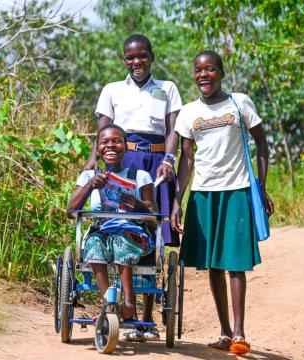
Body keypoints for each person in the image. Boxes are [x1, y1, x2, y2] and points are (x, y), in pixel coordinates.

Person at [171, 50, 274, 355]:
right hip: (203, 194)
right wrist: (178, 199)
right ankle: (225, 332)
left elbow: (262, 143)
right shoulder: (188, 112)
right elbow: (186, 160)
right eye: (199, 70)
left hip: (237, 189)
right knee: (212, 266)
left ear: (221, 73)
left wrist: (262, 187)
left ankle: (240, 333)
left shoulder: (239, 103)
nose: (204, 75)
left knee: (235, 263)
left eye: (211, 69)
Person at [85, 33, 182, 340]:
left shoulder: (167, 89)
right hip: (121, 160)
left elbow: (173, 129)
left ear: (151, 56)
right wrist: (93, 160)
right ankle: (125, 312)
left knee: (153, 232)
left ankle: (147, 320)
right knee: (117, 227)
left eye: (142, 56)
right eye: (130, 58)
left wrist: (169, 159)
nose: (136, 62)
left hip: (155, 165)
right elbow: (103, 131)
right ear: (124, 60)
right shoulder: (112, 90)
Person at [67, 124, 158, 328]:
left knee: (119, 240)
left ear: (125, 146)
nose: (111, 146)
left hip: (133, 234)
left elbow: (154, 220)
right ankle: (109, 303)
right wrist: (91, 186)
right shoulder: (88, 177)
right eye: (104, 142)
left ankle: (128, 302)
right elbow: (71, 212)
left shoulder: (140, 176)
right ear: (97, 149)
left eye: (116, 141)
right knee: (95, 243)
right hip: (101, 231)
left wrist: (137, 205)